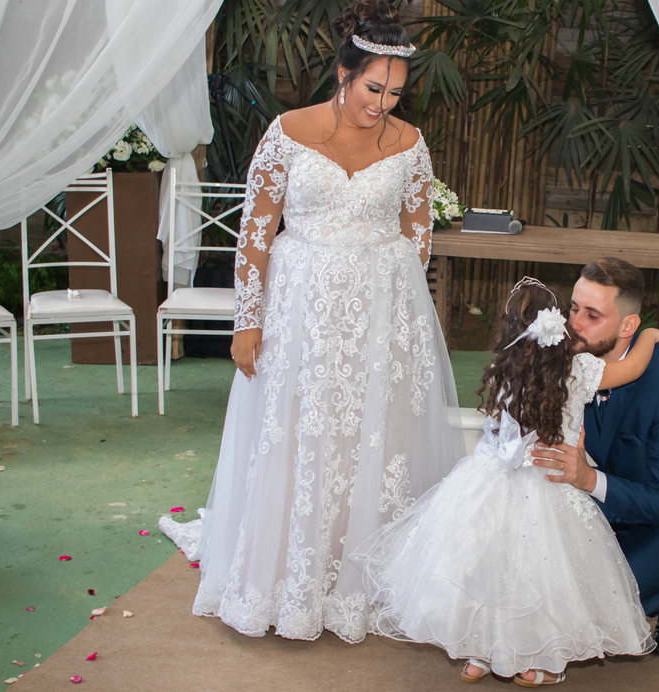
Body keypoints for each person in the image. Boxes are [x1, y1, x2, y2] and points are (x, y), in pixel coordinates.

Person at [159, 1, 465, 643]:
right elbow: (255, 234)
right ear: (344, 74)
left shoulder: (410, 145)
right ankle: (288, 574)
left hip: (380, 311)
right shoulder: (288, 131)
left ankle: (356, 575)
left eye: (395, 93)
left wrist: (400, 314)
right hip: (300, 309)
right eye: (373, 88)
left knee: (368, 439)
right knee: (298, 430)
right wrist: (248, 321)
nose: (383, 104)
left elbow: (418, 235)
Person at [350, 278, 659, 687]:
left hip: (488, 483)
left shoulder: (504, 372)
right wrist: (649, 336)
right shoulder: (577, 371)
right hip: (549, 484)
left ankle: (480, 654)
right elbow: (633, 367)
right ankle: (539, 661)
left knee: (484, 568)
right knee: (539, 576)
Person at [531, 257, 659, 656]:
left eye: (592, 315)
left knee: (589, 600)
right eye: (573, 309)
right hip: (608, 504)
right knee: (533, 578)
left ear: (628, 326)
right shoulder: (567, 359)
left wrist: (589, 479)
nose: (574, 325)